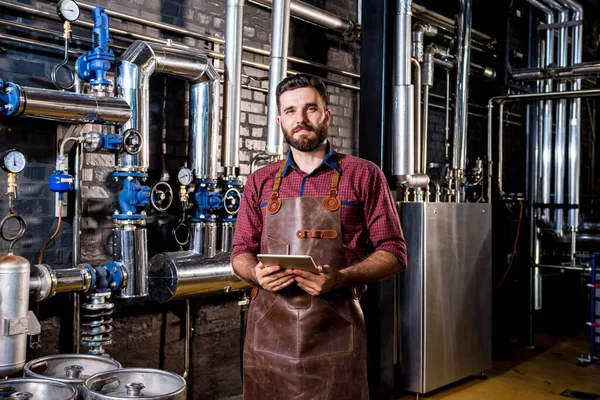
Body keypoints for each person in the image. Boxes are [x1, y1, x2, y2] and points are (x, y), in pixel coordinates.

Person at [231, 73, 407, 400]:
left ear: (326, 115)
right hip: (269, 337)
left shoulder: (364, 175)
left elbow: (394, 252)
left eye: (310, 109)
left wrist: (341, 277)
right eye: (291, 111)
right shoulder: (259, 181)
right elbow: (240, 252)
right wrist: (254, 273)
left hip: (335, 335)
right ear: (281, 120)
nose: (301, 119)